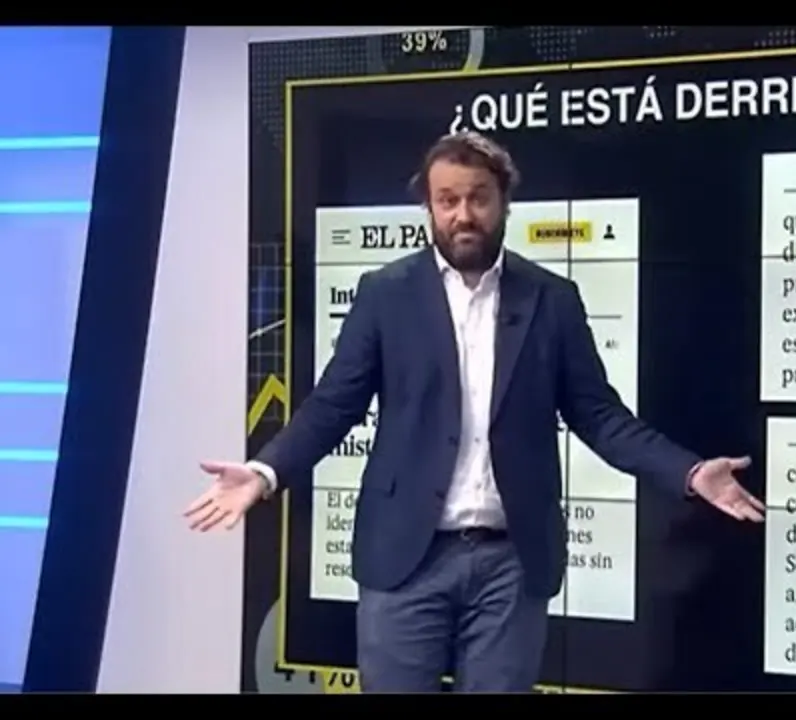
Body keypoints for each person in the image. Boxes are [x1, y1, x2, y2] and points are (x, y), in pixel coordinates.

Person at [183, 131, 764, 694]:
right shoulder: (385, 293)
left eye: (478, 198)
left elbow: (600, 416)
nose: (463, 215)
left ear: (504, 202)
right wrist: (265, 472)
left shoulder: (552, 299)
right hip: (405, 557)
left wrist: (688, 472)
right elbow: (334, 404)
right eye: (448, 200)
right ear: (430, 208)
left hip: (511, 562)